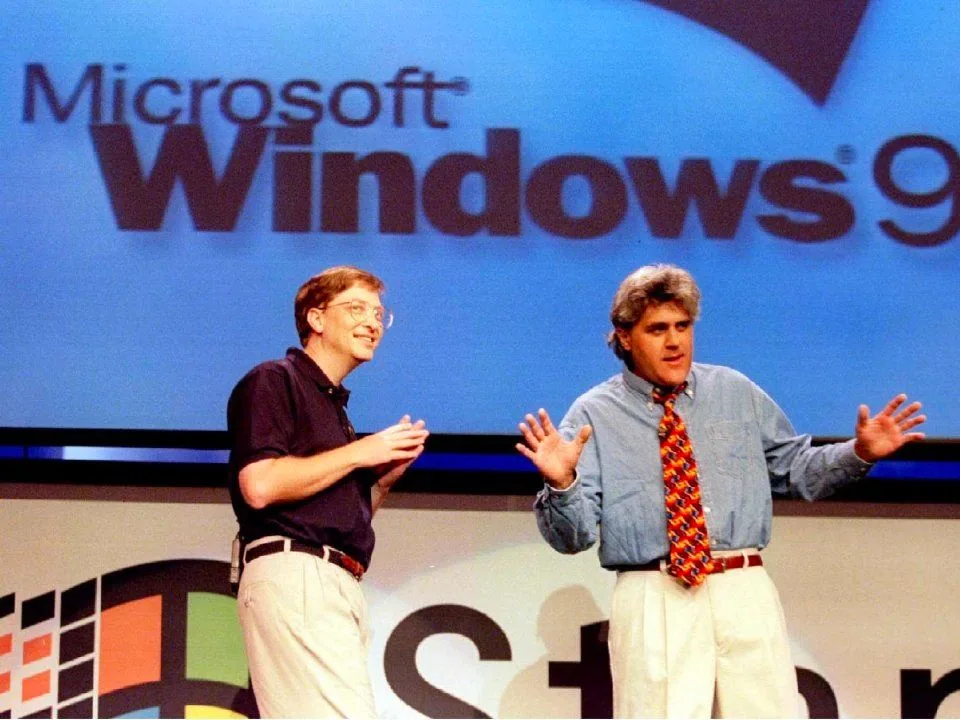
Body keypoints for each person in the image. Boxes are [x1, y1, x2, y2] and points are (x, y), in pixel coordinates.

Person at [516, 264, 925, 719]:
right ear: (625, 337)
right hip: (655, 593)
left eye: (683, 326)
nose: (675, 342)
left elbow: (797, 471)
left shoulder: (734, 391)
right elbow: (573, 539)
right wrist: (561, 483)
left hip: (742, 588)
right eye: (657, 329)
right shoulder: (594, 413)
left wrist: (859, 452)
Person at [227, 266, 428, 719]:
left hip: (331, 580)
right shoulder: (275, 380)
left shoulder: (333, 407)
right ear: (316, 319)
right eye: (356, 308)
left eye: (379, 313)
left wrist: (381, 479)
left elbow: (331, 517)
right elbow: (258, 486)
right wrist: (360, 453)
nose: (373, 322)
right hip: (299, 578)